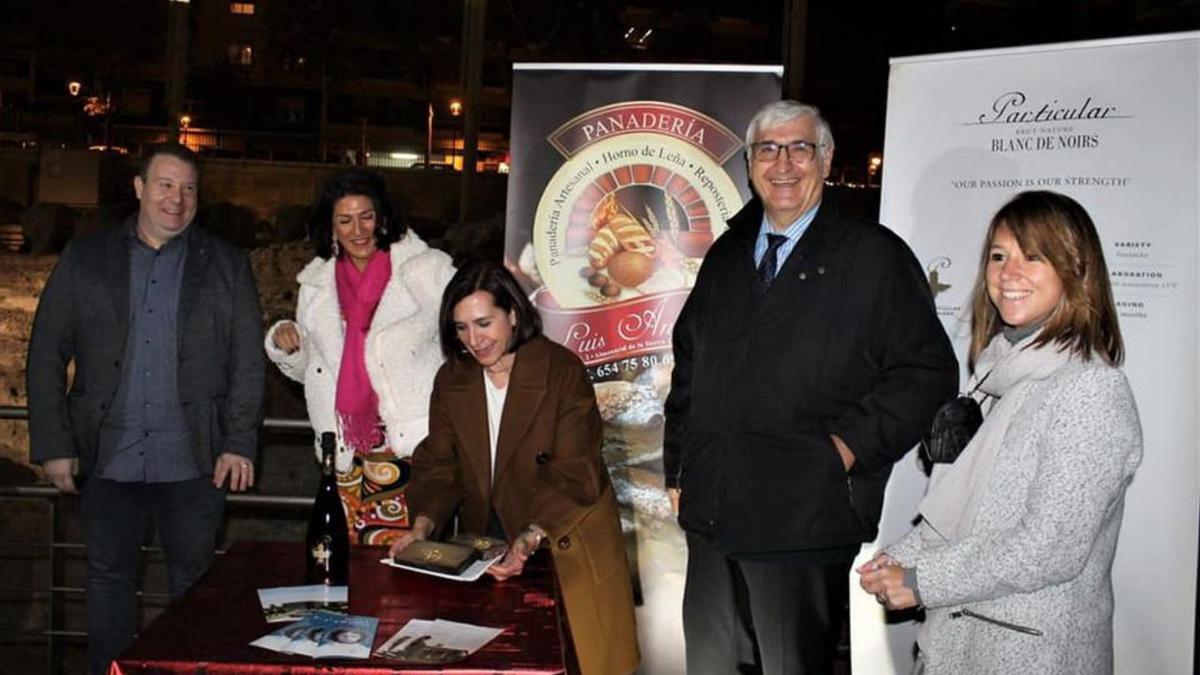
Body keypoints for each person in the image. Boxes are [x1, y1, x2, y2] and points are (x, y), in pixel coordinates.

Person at [663, 100, 958, 674]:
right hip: (714, 516)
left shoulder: (873, 257)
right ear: (750, 164)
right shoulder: (726, 256)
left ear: (826, 161)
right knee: (711, 666)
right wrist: (678, 469)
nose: (784, 163)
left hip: (802, 518)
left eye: (800, 148)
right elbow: (689, 368)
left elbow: (928, 372)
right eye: (768, 149)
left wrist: (843, 449)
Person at [858, 191, 1142, 674]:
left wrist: (923, 580)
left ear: (1076, 270)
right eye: (999, 256)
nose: (1009, 274)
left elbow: (1050, 548)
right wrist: (898, 558)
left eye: (1034, 256)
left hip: (1031, 654)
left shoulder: (1090, 389)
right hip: (959, 642)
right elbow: (966, 513)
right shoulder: (995, 375)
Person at [25, 142, 265, 674]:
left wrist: (238, 441)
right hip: (105, 456)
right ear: (138, 187)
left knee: (194, 589)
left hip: (196, 462)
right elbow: (45, 352)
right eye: (164, 184)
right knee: (108, 581)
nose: (176, 199)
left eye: (188, 188)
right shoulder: (86, 258)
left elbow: (248, 362)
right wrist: (55, 445)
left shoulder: (226, 265)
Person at [389, 260, 640, 675]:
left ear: (514, 315)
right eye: (461, 328)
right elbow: (439, 464)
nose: (474, 339)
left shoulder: (561, 371)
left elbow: (575, 469)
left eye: (484, 322)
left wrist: (528, 537)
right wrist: (422, 526)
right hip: (486, 544)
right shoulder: (452, 379)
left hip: (559, 532)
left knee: (572, 661)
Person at [265, 168, 453, 545]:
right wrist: (288, 342)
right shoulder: (316, 284)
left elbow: (460, 342)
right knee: (349, 564)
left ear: (383, 217)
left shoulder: (427, 270)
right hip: (346, 450)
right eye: (345, 220)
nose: (358, 230)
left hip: (411, 447)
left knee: (407, 567)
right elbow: (315, 372)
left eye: (367, 216)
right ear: (331, 227)